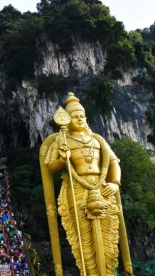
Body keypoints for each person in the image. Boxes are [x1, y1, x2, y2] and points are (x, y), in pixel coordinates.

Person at [40, 93, 132, 276]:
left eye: (82, 116)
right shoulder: (61, 140)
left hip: (102, 187)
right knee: (84, 240)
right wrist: (62, 158)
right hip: (77, 189)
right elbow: (49, 167)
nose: (80, 119)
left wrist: (115, 183)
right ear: (67, 120)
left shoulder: (97, 139)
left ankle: (110, 272)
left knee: (108, 237)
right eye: (75, 116)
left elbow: (113, 162)